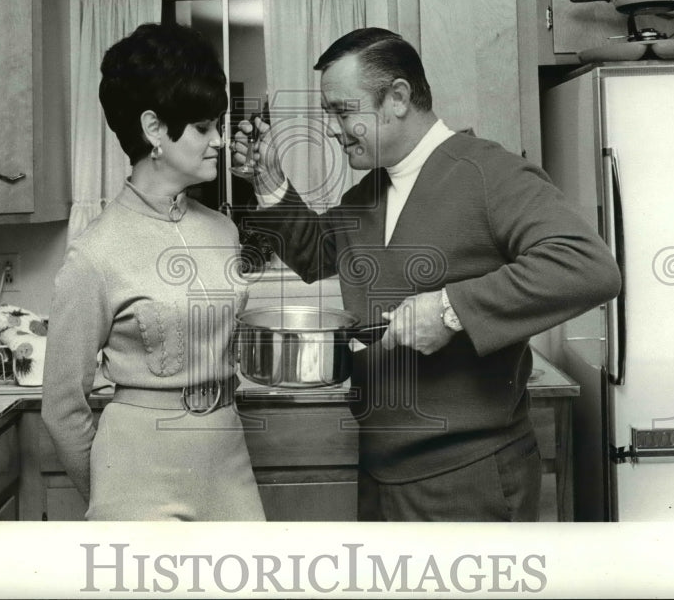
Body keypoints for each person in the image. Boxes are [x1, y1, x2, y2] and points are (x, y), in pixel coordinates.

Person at [233, 27, 621, 522]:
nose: (332, 127)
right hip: (379, 468)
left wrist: (450, 310)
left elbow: (587, 266)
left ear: (397, 97)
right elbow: (313, 254)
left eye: (343, 110)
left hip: (467, 478)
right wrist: (269, 181)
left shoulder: (488, 172)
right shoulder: (367, 195)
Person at [42, 22, 265, 521]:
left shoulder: (223, 231)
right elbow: (61, 407)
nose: (220, 141)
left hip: (228, 459)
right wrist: (111, 495)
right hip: (137, 470)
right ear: (154, 129)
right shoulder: (95, 253)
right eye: (205, 128)